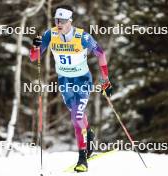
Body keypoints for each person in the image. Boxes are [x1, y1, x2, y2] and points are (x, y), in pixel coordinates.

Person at [29, 5, 113, 172]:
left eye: (63, 21)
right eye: (56, 20)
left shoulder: (82, 37)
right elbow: (34, 57)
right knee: (77, 116)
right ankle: (88, 133)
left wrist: (106, 81)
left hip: (82, 80)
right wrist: (35, 46)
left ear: (70, 22)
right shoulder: (50, 34)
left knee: (76, 117)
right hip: (64, 81)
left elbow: (101, 54)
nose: (59, 24)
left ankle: (82, 159)